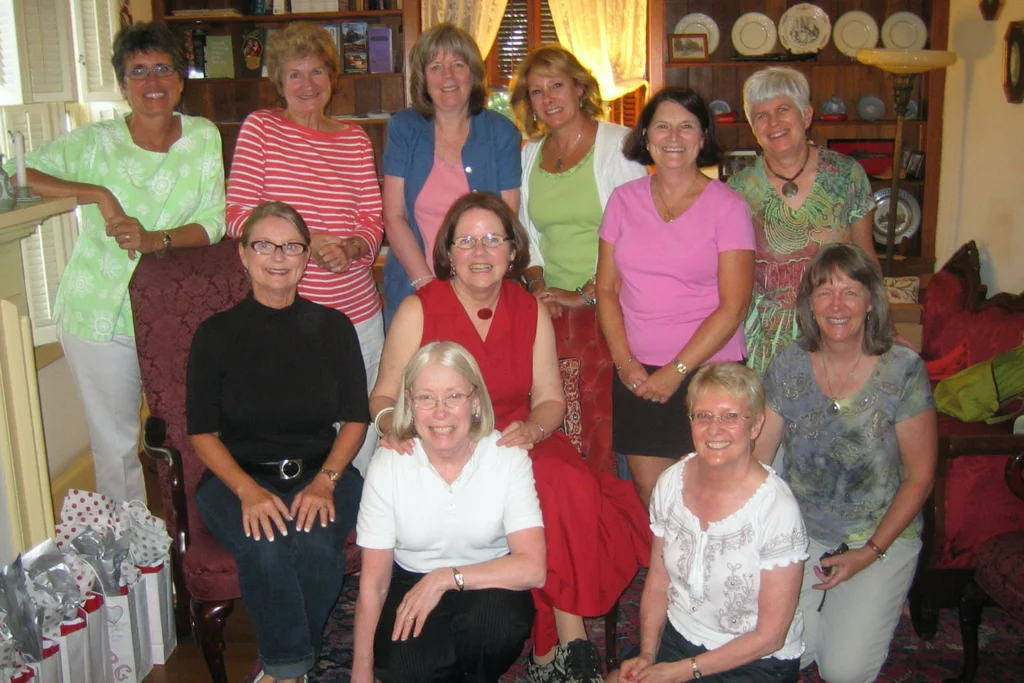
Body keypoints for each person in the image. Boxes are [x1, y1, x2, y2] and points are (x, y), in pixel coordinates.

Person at [371, 192, 650, 683]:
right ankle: (553, 650)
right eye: (467, 241)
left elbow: (549, 398)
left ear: (512, 249)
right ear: (448, 253)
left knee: (565, 480)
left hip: (516, 436)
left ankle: (570, 642)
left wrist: (535, 428)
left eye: (493, 240)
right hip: (446, 438)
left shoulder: (529, 308)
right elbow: (384, 396)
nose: (480, 252)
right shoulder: (419, 308)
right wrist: (390, 427)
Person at [6, 21, 225, 503]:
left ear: (181, 78)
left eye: (163, 68)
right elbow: (13, 172)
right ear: (123, 84)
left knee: (189, 434)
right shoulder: (95, 142)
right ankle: (131, 566)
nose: (153, 82)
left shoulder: (203, 136)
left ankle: (190, 548)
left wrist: (155, 239)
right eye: (138, 71)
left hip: (174, 313)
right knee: (116, 448)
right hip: (98, 313)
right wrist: (96, 194)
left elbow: (214, 222)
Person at [187, 202, 368, 683]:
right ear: (243, 255)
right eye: (263, 244)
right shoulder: (215, 334)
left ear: (306, 258)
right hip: (236, 477)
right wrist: (248, 491)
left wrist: (326, 482)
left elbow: (355, 419)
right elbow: (201, 431)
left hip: (321, 471)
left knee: (312, 544)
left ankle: (283, 666)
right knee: (266, 547)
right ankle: (291, 671)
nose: (278, 256)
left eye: (291, 246)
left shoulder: (334, 328)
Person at [753, 243, 937, 682]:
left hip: (879, 537)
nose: (837, 305)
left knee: (843, 670)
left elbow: (921, 477)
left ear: (871, 301)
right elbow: (759, 460)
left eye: (850, 292)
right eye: (824, 292)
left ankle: (872, 599)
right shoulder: (788, 364)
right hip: (802, 533)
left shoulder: (903, 370)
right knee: (781, 655)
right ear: (809, 304)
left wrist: (868, 554)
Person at [226, 22, 384, 475]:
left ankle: (364, 528)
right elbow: (237, 216)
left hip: (358, 314)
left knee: (364, 426)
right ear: (279, 82)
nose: (307, 84)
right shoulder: (261, 130)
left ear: (332, 79)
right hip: (288, 313)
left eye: (317, 71)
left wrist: (354, 247)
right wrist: (304, 243)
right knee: (306, 429)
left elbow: (372, 221)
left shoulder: (354, 139)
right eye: (294, 74)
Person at [596, 87, 755, 507]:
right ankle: (667, 574)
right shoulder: (622, 201)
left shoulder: (729, 207)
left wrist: (676, 370)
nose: (673, 137)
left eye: (687, 127)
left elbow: (734, 305)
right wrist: (625, 363)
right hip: (637, 371)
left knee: (711, 495)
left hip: (709, 372)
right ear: (646, 137)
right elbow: (607, 289)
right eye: (662, 126)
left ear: (703, 138)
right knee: (655, 495)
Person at [352, 341, 546, 683]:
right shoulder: (388, 465)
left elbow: (533, 568)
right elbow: (374, 583)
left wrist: (444, 578)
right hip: (410, 576)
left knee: (498, 625)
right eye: (426, 398)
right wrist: (361, 671)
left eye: (454, 396)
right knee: (399, 667)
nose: (440, 412)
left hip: (489, 579)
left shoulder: (507, 457)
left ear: (474, 402)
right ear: (409, 404)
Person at [609, 363, 808, 683]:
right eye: (703, 416)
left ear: (755, 425)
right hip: (678, 637)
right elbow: (659, 582)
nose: (715, 429)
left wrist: (681, 672)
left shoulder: (776, 509)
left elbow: (770, 636)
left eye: (730, 416)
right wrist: (647, 654)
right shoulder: (671, 483)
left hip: (752, 658)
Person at [728, 67, 882, 376]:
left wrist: (880, 328)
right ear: (753, 129)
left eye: (784, 109)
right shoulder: (737, 192)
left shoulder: (847, 175)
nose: (774, 123)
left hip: (837, 330)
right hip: (765, 344)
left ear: (807, 115)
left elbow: (867, 261)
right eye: (761, 115)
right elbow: (729, 283)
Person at [381, 23, 521, 327]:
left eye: (458, 65)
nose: (448, 77)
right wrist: (427, 286)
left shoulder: (501, 131)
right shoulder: (404, 128)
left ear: (473, 74)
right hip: (414, 289)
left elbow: (507, 218)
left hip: (485, 290)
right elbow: (394, 216)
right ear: (423, 78)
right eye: (436, 67)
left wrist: (473, 288)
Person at [510, 46, 647, 318]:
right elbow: (525, 237)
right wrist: (539, 288)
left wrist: (583, 294)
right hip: (552, 308)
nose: (548, 99)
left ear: (580, 89)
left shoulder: (621, 146)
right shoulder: (528, 155)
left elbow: (637, 236)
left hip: (615, 305)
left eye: (557, 85)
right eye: (537, 92)